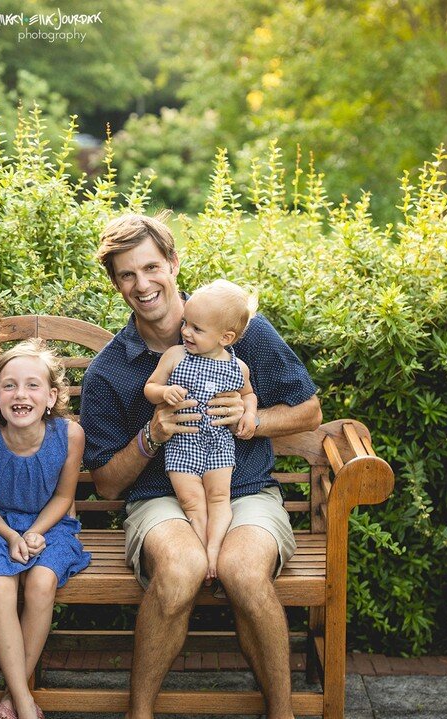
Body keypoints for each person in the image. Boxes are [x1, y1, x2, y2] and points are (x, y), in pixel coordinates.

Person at [81, 213, 322, 719]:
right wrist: (152, 434)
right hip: (160, 498)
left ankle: (283, 713)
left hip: (248, 489)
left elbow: (309, 410)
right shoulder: (111, 368)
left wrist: (252, 419)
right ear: (116, 283)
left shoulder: (238, 329)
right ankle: (139, 712)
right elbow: (105, 485)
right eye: (127, 274)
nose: (142, 284)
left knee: (243, 569)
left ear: (172, 264)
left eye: (151, 267)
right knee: (180, 566)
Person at [0, 340, 90, 719]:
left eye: (33, 385)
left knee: (42, 582)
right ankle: (22, 701)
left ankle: (11, 694)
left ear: (51, 396)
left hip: (51, 524)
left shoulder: (68, 435)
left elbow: (64, 496)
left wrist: (35, 532)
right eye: (10, 386)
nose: (21, 394)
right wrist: (11, 535)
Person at [143, 280, 258, 582]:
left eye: (196, 328)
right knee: (192, 501)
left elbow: (248, 395)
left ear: (226, 337)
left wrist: (250, 414)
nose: (185, 332)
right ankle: (201, 547)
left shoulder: (238, 367)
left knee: (219, 497)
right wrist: (163, 392)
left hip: (219, 445)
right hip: (183, 444)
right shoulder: (175, 356)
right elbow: (150, 387)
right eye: (185, 324)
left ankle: (214, 549)